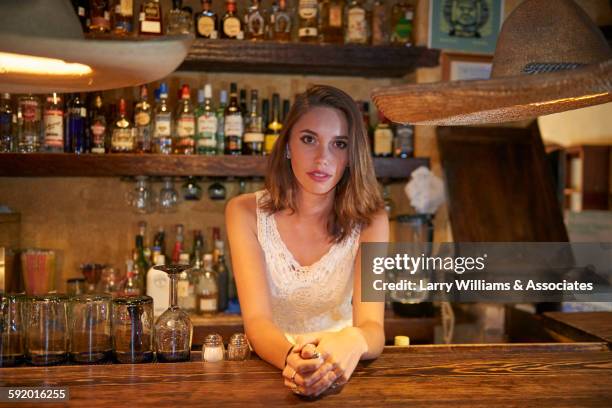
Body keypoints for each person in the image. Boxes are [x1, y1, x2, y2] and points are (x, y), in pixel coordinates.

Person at [225, 85, 388, 398]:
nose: (322, 158)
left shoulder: (372, 220)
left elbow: (373, 327)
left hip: (342, 370)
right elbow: (257, 322)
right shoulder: (244, 212)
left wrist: (352, 341)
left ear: (351, 156)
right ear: (287, 145)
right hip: (272, 370)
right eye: (309, 139)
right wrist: (294, 361)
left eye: (339, 144)